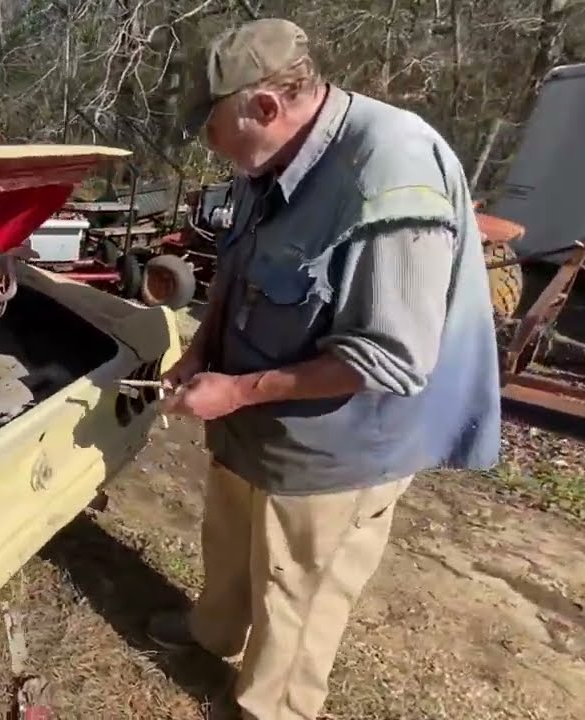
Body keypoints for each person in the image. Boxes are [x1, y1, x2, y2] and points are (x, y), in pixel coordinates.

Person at [148, 17, 501, 720]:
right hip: (253, 416)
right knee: (231, 540)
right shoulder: (270, 155)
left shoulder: (391, 171)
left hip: (337, 445)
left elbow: (391, 358)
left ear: (266, 106)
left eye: (213, 127)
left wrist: (238, 390)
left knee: (297, 583)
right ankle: (213, 632)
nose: (210, 146)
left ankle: (271, 705)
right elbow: (238, 263)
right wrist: (200, 352)